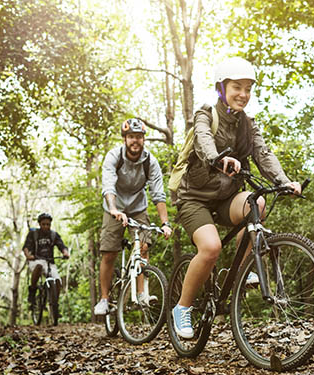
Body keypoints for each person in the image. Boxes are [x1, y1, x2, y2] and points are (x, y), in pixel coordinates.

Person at [170, 56, 301, 338]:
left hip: (226, 198)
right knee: (211, 248)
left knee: (259, 203)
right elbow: (203, 139)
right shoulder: (206, 114)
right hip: (194, 198)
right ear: (222, 88)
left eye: (248, 88)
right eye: (237, 87)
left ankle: (242, 272)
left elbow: (263, 155)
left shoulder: (247, 125)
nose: (243, 94)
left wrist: (284, 181)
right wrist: (218, 159)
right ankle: (182, 307)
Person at [94, 118, 173, 315]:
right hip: (114, 207)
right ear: (125, 139)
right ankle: (104, 299)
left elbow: (158, 194)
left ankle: (142, 294)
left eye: (139, 137)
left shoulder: (150, 162)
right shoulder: (114, 156)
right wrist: (113, 209)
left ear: (144, 139)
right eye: (131, 137)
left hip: (138, 208)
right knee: (109, 252)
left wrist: (165, 223)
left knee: (144, 246)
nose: (135, 141)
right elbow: (108, 185)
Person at [23, 213, 70, 307]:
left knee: (57, 281)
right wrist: (28, 256)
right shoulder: (33, 234)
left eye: (48, 224)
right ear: (39, 224)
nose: (46, 226)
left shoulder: (53, 235)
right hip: (35, 260)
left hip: (49, 262)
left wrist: (65, 253)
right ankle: (32, 291)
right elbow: (26, 247)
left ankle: (55, 305)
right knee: (39, 266)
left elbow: (62, 246)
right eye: (43, 224)